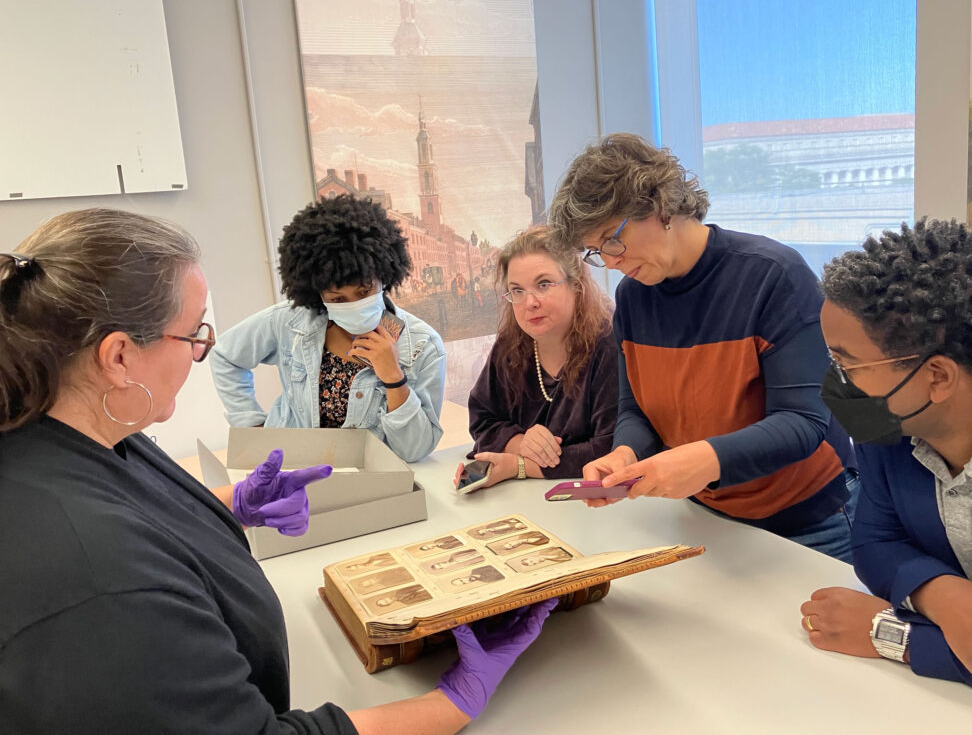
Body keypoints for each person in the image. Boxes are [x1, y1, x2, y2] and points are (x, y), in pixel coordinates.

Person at [0, 209, 558, 733]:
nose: (202, 350)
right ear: (119, 357)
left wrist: (225, 504)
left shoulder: (84, 438)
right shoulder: (98, 578)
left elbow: (134, 504)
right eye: (195, 333)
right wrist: (451, 702)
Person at [547, 133, 858, 561]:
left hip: (806, 521)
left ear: (659, 206)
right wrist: (625, 453)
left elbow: (802, 422)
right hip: (707, 514)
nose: (612, 261)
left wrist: (705, 459)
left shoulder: (773, 277)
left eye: (612, 239)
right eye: (596, 252)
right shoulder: (636, 298)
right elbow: (636, 409)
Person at [798, 220, 972, 705]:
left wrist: (892, 636)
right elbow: (875, 543)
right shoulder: (894, 428)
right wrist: (945, 596)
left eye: (847, 364)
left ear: (937, 376)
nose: (838, 383)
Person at [210, 195, 445, 463]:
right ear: (316, 293)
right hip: (294, 472)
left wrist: (393, 377)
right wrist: (251, 428)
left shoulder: (423, 345)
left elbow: (414, 451)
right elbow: (225, 356)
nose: (354, 304)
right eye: (337, 299)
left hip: (371, 483)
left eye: (364, 290)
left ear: (385, 274)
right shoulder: (290, 322)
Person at [458, 227, 618, 488]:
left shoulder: (608, 342)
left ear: (576, 286)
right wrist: (521, 443)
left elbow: (610, 448)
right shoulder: (510, 344)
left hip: (598, 501)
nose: (529, 302)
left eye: (543, 285)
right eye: (517, 291)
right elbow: (482, 419)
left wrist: (520, 466)